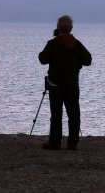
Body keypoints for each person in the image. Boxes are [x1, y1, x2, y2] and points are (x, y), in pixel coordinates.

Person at [39, 15, 92, 150]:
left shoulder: (52, 44)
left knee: (56, 114)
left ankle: (55, 142)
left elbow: (42, 59)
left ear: (58, 28)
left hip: (55, 84)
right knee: (74, 113)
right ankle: (72, 143)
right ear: (71, 28)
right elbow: (88, 60)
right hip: (72, 84)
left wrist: (55, 40)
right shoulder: (76, 44)